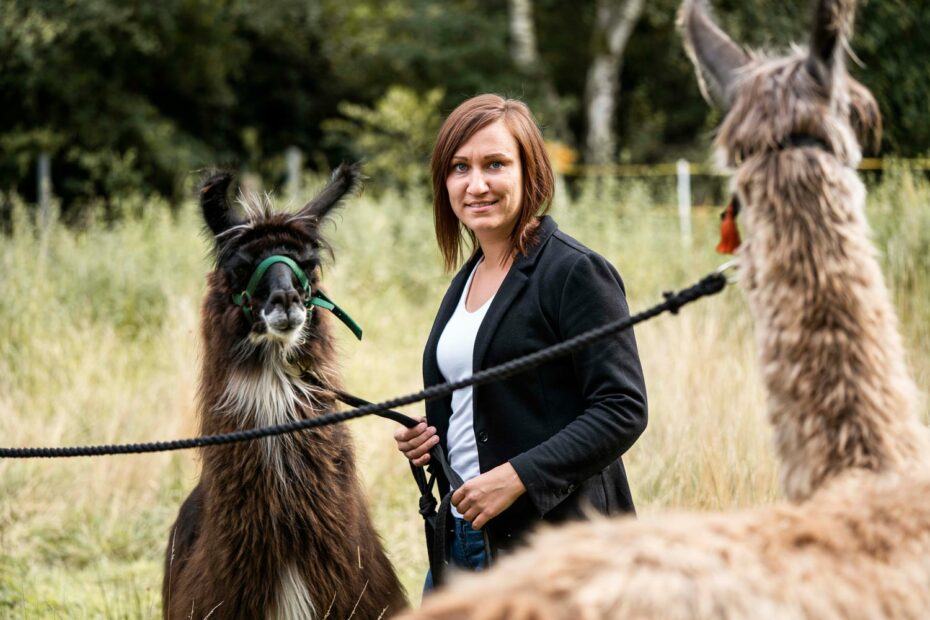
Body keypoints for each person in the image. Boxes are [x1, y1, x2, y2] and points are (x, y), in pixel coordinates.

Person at [393, 94, 647, 585]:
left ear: (530, 172)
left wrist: (517, 478)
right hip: (462, 538)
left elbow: (623, 407)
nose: (477, 184)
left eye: (495, 164)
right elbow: (497, 396)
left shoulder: (574, 272)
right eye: (460, 167)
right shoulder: (466, 281)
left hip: (558, 548)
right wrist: (434, 433)